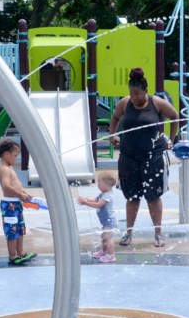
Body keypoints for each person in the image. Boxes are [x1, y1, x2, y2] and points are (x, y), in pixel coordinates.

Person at [108, 67, 180, 247]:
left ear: (145, 91)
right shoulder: (125, 103)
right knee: (132, 197)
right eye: (131, 93)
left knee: (153, 197)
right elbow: (115, 118)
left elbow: (175, 116)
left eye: (137, 94)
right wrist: (112, 136)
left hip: (153, 157)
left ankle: (158, 234)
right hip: (128, 157)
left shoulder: (157, 103)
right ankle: (128, 233)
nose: (134, 97)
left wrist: (171, 140)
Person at [0, 139, 37, 266]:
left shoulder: (9, 167)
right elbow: (6, 187)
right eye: (15, 155)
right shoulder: (4, 169)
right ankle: (13, 256)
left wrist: (24, 192)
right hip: (10, 205)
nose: (16, 158)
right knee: (12, 231)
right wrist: (20, 194)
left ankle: (21, 252)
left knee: (20, 228)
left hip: (16, 203)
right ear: (6, 154)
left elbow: (16, 184)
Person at [77, 170, 118, 263]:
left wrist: (86, 203)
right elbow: (96, 199)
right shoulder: (103, 194)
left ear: (107, 185)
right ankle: (104, 251)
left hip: (109, 221)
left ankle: (111, 256)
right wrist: (86, 199)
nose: (98, 186)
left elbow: (99, 204)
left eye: (100, 184)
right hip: (105, 221)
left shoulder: (108, 196)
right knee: (104, 237)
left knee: (108, 238)